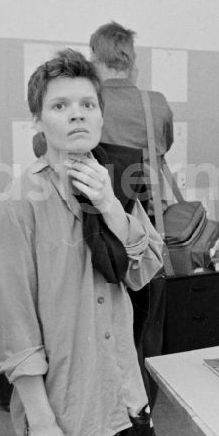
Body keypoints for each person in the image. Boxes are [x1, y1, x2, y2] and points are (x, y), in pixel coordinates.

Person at [0, 49, 169, 436]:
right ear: (38, 121)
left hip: (126, 397)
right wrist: (42, 426)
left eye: (87, 104)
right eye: (61, 105)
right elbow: (15, 328)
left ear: (102, 114)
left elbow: (145, 267)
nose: (77, 115)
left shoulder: (115, 185)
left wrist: (110, 206)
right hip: (69, 412)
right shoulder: (18, 207)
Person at [89, 21, 173, 412]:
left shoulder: (87, 101)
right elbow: (164, 143)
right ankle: (145, 405)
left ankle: (112, 405)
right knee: (147, 321)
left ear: (95, 56)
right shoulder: (154, 103)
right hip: (147, 222)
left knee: (102, 320)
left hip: (96, 227)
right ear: (130, 58)